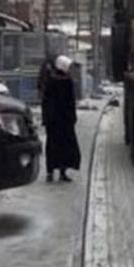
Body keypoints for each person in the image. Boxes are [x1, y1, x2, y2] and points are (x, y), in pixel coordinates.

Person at [41, 55, 81, 183]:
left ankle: (50, 172)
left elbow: (45, 101)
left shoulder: (50, 81)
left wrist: (46, 117)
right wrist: (73, 117)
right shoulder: (66, 82)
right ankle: (62, 171)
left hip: (53, 120)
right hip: (64, 120)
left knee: (52, 145)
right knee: (64, 145)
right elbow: (71, 102)